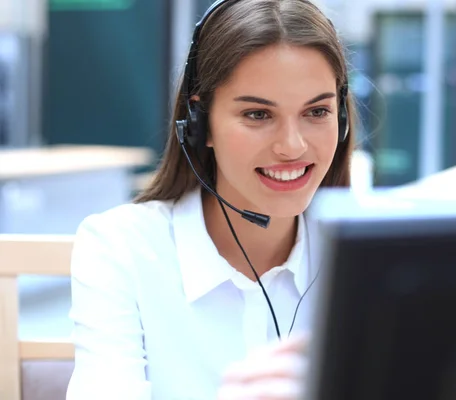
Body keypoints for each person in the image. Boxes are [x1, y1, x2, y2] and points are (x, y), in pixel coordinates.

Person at [66, 0, 356, 399]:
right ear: (200, 125)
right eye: (258, 115)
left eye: (317, 111)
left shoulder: (367, 258)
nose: (292, 146)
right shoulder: (120, 247)